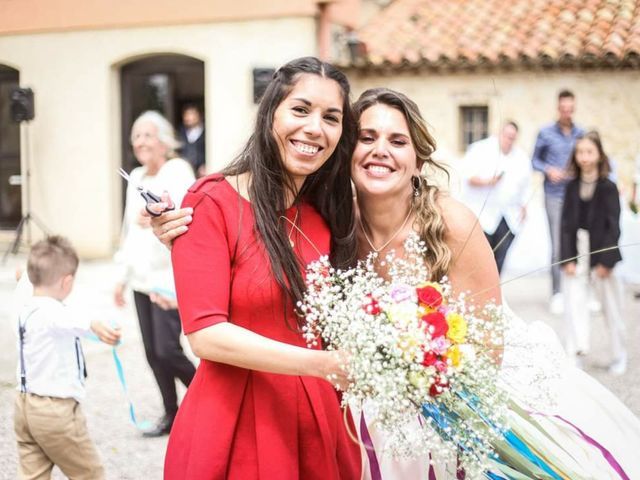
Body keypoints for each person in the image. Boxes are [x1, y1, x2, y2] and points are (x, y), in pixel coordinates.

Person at [150, 88, 640, 478]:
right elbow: (261, 247)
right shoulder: (331, 220)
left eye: (397, 141)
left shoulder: (452, 224)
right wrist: (178, 233)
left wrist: (430, 386)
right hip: (373, 410)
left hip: (465, 399)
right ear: (347, 152)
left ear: (417, 157)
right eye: (366, 137)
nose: (380, 151)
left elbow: (488, 347)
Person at [163, 57, 362, 479]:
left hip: (318, 424)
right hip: (235, 422)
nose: (315, 128)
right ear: (271, 111)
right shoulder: (210, 202)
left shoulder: (327, 214)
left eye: (331, 118)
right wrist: (323, 364)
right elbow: (206, 335)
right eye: (301, 109)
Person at [114, 111, 196, 438]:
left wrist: (160, 215)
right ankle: (170, 412)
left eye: (148, 135)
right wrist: (121, 277)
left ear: (164, 139)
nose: (141, 142)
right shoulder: (135, 175)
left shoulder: (178, 169)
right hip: (141, 280)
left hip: (168, 279)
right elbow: (126, 230)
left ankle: (210, 398)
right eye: (136, 136)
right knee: (151, 353)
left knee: (168, 349)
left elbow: (187, 215)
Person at [14, 236, 121, 480]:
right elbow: (65, 319)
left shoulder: (26, 301)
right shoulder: (53, 312)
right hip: (55, 411)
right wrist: (94, 325)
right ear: (67, 281)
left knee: (32, 473)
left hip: (24, 405)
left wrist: (22, 278)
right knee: (90, 473)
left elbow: (23, 282)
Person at [561, 131, 626, 374]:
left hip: (602, 255)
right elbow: (565, 225)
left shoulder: (608, 187)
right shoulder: (571, 187)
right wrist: (567, 259)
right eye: (580, 152)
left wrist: (606, 262)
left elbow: (614, 226)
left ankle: (619, 354)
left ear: (599, 155)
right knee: (573, 304)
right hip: (576, 253)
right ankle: (574, 353)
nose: (584, 157)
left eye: (589, 152)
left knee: (611, 307)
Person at [532, 89, 585, 314]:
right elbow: (534, 160)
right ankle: (557, 294)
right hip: (553, 195)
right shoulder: (545, 133)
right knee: (557, 245)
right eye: (564, 109)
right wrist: (548, 170)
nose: (567, 112)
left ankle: (580, 291)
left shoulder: (581, 133)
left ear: (574, 108)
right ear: (558, 108)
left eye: (570, 109)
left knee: (580, 242)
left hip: (577, 195)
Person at [458, 121, 531, 273]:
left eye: (512, 137)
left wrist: (524, 207)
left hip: (508, 215)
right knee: (481, 258)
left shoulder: (521, 157)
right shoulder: (480, 149)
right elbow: (466, 177)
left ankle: (495, 290)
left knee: (500, 257)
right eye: (506, 136)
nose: (508, 140)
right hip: (481, 214)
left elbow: (526, 186)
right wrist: (487, 182)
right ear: (499, 133)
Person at [177, 104, 206, 177]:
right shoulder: (181, 132)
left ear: (199, 115)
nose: (189, 118)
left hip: (202, 172)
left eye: (191, 114)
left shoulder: (206, 132)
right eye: (186, 115)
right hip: (185, 171)